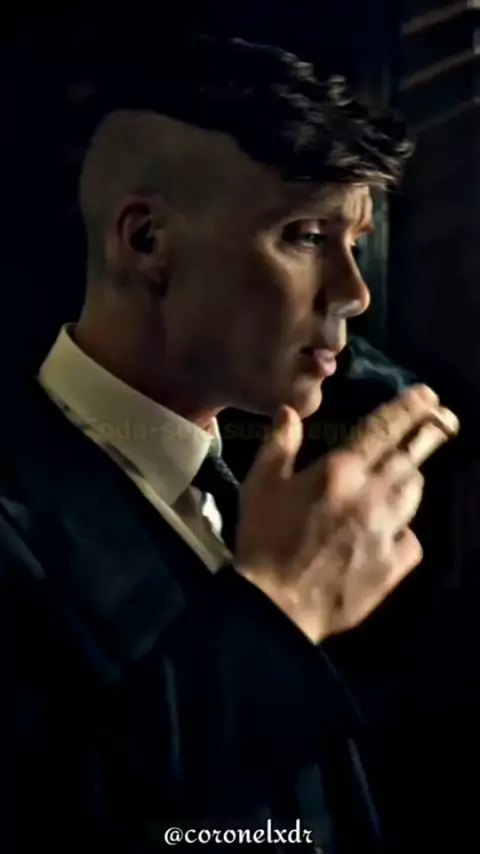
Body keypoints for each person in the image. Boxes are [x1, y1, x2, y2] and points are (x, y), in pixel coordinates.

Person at [1, 33, 459, 852]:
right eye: (307, 235)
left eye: (356, 244)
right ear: (146, 242)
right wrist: (281, 608)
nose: (354, 292)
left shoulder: (292, 485)